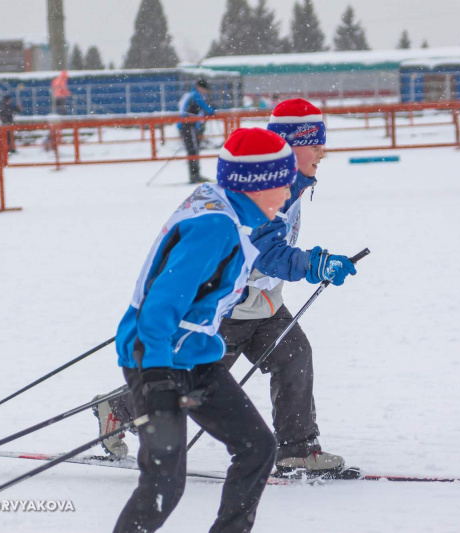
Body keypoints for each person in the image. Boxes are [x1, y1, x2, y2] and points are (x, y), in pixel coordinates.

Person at [94, 99, 359, 479]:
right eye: (312, 141)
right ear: (289, 144)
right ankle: (119, 411)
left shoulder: (294, 183)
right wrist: (315, 263)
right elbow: (265, 251)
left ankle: (297, 450)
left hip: (263, 301)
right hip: (228, 307)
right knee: (195, 384)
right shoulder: (265, 185)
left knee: (294, 356)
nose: (322, 150)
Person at [112, 127, 298, 532]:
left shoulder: (231, 211)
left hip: (194, 355)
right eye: (283, 184)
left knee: (256, 449)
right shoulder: (217, 226)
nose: (287, 195)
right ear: (257, 185)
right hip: (156, 357)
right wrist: (158, 378)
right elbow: (159, 306)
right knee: (163, 483)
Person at [177, 78, 215, 184]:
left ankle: (195, 174)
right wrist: (212, 111)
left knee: (193, 150)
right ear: (200, 87)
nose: (205, 91)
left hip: (187, 125)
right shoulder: (195, 95)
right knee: (193, 150)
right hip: (188, 125)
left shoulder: (190, 94)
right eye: (204, 89)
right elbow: (206, 109)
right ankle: (195, 175)